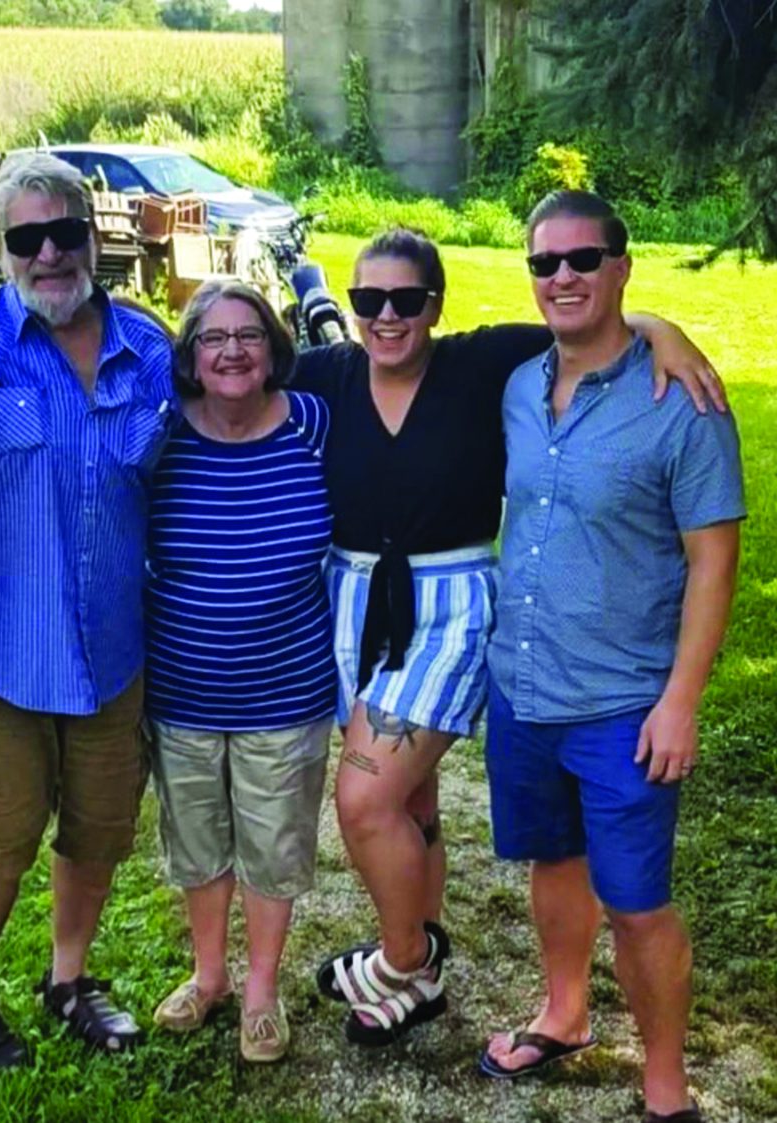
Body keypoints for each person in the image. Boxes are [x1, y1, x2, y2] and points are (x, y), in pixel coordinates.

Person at [293, 228, 720, 1046]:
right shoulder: (328, 374)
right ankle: (417, 979)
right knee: (410, 796)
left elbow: (599, 328)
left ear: (435, 305)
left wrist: (669, 331)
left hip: (450, 603)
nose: (386, 316)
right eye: (367, 301)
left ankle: (407, 956)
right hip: (351, 598)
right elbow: (223, 367)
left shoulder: (482, 364)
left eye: (405, 300)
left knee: (364, 795)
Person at [473, 192, 740, 1123]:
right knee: (553, 860)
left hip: (627, 701)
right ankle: (565, 1011)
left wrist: (682, 699)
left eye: (584, 259)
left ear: (623, 265)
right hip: (524, 686)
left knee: (636, 901)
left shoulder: (684, 400)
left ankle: (663, 1082)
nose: (563, 278)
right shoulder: (514, 384)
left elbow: (714, 559)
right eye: (545, 264)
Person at [0, 151, 171, 1066]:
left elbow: (252, 393)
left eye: (67, 232)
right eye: (28, 237)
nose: (51, 253)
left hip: (112, 645)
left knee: (98, 826)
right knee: (2, 830)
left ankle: (68, 977)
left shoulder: (151, 349)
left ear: (93, 236)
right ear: (1, 245)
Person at [140, 281, 332, 1063]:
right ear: (189, 356)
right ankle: (209, 973)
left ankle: (260, 988)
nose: (231, 351)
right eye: (211, 338)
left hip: (288, 686)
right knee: (198, 841)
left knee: (273, 845)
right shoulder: (159, 436)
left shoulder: (315, 425)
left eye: (248, 334)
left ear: (273, 345)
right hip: (182, 686)